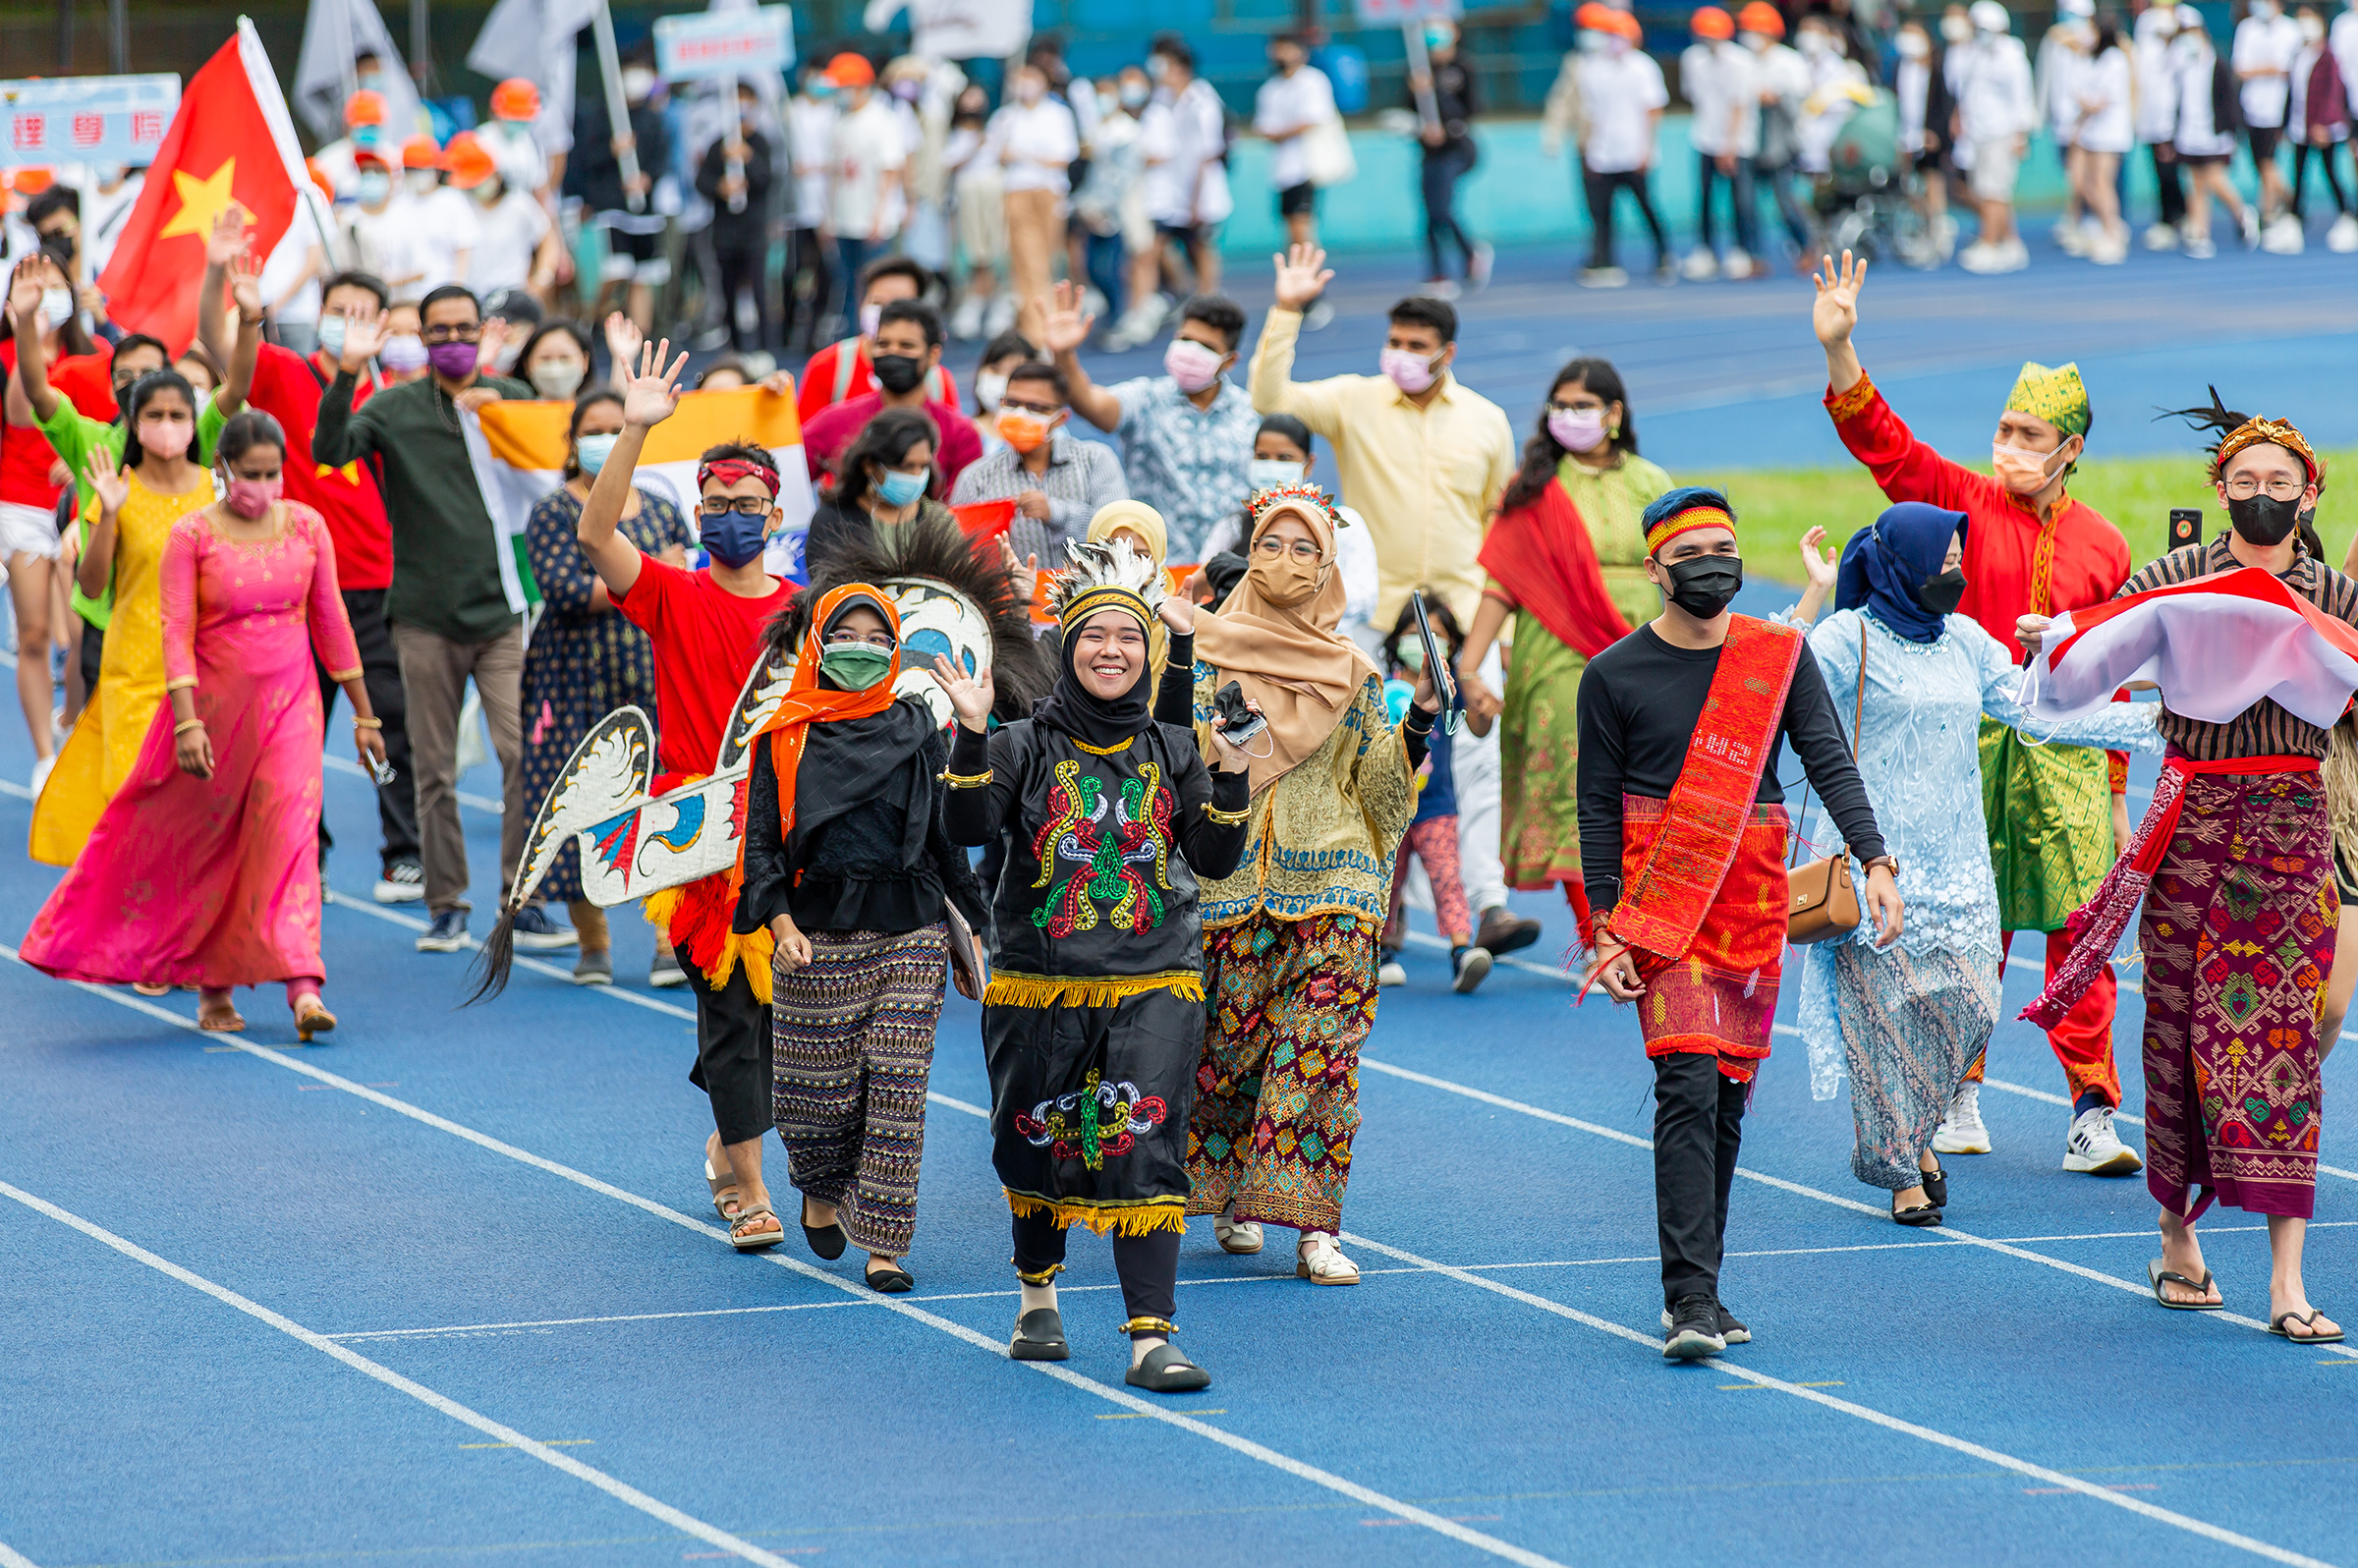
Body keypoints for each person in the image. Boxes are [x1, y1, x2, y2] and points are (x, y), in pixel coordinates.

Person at [1812, 251, 2143, 1175]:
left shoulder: (2105, 544)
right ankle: (1959, 1092)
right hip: (1965, 749)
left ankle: (2092, 1113)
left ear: (2071, 448)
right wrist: (1842, 351)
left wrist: (2117, 793)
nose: (2011, 445)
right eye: (2004, 426)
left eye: (2031, 433)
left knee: (2082, 931)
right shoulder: (1960, 502)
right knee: (1970, 931)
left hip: (2067, 760)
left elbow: (2111, 680)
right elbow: (1887, 446)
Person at [2021, 411, 2345, 1344]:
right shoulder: (2170, 579)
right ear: (2220, 489)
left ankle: (2288, 1281)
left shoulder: (2337, 594)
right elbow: (2097, 657)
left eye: (2281, 482)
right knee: (2176, 1030)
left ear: (2309, 493)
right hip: (2192, 827)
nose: (2264, 496)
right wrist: (2062, 636)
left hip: (2290, 834)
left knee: (2283, 1042)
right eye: (2245, 479)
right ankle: (2176, 1242)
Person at [1577, 487, 1901, 1358]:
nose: (1713, 565)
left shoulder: (1776, 659)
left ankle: (1706, 1289)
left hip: (1750, 889)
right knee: (1684, 1080)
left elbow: (1828, 760)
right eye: (1692, 555)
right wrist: (1604, 925)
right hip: (1664, 898)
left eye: (1724, 548)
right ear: (1655, 570)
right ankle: (1686, 1300)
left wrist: (1874, 860)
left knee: (1725, 1098)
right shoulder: (1611, 675)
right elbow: (1597, 809)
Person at [1780, 507, 2161, 1225]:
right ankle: (1902, 1172)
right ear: (1900, 563)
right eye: (1943, 560)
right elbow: (1775, 678)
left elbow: (2037, 710)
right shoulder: (1846, 636)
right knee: (1882, 1028)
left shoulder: (1963, 639)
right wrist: (1816, 591)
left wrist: (2150, 723)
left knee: (1971, 1009)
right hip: (1873, 861)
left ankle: (1916, 1131)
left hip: (1958, 864)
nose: (1955, 573)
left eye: (1960, 558)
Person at [936, 532, 1251, 1388]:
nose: (1110, 652)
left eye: (1128, 638)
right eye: (1093, 636)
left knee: (1146, 1137)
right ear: (1066, 646)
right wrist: (969, 736)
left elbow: (1214, 859)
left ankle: (1153, 1336)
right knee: (1032, 1142)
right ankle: (1038, 1296)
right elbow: (965, 830)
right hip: (1040, 986)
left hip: (1158, 977)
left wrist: (1230, 781)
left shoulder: (1174, 746)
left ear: (1148, 653)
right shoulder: (1016, 746)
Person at [21, 409, 385, 1036]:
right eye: (251, 474)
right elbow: (176, 632)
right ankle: (214, 989)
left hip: (293, 708)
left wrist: (363, 713)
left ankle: (303, 984)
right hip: (214, 713)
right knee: (218, 846)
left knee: (289, 836)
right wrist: (186, 723)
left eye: (274, 475)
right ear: (224, 470)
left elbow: (331, 620)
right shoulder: (193, 536)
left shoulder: (307, 525)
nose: (264, 488)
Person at [1167, 484, 1435, 1286]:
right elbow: (1173, 758)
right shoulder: (1201, 649)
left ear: (1328, 565)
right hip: (1227, 885)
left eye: (1305, 549)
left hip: (1335, 889)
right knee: (1224, 1056)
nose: (1286, 561)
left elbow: (1380, 791)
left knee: (1318, 1057)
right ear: (1251, 553)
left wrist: (1418, 719)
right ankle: (1234, 1199)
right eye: (1272, 545)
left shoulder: (1351, 671)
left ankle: (1315, 1230)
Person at [568, 342, 798, 1249]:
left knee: (787, 1022)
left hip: (793, 837)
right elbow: (595, 537)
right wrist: (633, 429)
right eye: (716, 505)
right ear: (696, 511)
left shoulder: (813, 609)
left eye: (747, 505)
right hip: (697, 840)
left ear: (776, 512)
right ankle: (747, 1186)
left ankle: (724, 1143)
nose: (731, 517)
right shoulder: (669, 594)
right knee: (731, 1014)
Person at [731, 580, 982, 1291]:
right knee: (819, 1100)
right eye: (848, 636)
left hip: (912, 927)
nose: (864, 650)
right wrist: (779, 924)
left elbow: (945, 843)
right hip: (813, 934)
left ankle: (884, 1242)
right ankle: (818, 1186)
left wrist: (976, 937)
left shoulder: (917, 728)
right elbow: (759, 848)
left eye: (880, 639)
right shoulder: (785, 733)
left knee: (899, 1082)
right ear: (817, 642)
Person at [311, 285, 566, 954]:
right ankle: (446, 904)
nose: (452, 339)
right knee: (433, 769)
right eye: (438, 330)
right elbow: (330, 449)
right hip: (423, 617)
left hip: (505, 611)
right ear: (420, 340)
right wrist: (345, 373)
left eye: (463, 327)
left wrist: (509, 414)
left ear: (484, 332)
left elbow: (574, 452)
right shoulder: (392, 408)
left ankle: (525, 899)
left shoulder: (512, 400)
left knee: (524, 759)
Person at [196, 220, 421, 907]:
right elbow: (217, 341)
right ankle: (305, 853)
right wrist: (224, 284)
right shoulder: (287, 372)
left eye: (361, 313)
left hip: (376, 585)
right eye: (337, 310)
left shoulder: (400, 395)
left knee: (389, 719)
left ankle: (404, 854)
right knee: (295, 730)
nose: (346, 323)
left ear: (383, 324)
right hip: (294, 584)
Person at [1458, 357, 1672, 930]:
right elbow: (1501, 584)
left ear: (1614, 413)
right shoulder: (1536, 489)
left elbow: (1687, 559)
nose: (1570, 417)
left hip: (1642, 647)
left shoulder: (1652, 482)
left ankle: (1632, 925)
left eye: (1582, 406)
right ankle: (1597, 932)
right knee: (1578, 789)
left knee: (1641, 786)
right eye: (1561, 406)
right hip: (1555, 653)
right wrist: (1469, 664)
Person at [1249, 245, 1517, 646]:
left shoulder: (1488, 420)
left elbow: (1495, 520)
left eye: (1416, 346)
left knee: (1471, 711)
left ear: (1448, 354)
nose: (1400, 354)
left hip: (1463, 612)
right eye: (1395, 342)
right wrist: (1287, 310)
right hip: (1373, 614)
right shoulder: (1352, 401)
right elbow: (1270, 400)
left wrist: (1503, 626)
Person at [520, 390, 696, 986]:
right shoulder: (550, 512)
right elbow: (565, 591)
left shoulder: (663, 507)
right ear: (571, 441)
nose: (602, 438)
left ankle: (669, 941)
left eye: (612, 427)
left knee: (664, 802)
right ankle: (592, 943)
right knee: (580, 800)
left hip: (651, 673)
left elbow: (686, 579)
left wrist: (647, 571)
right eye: (591, 429)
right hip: (572, 679)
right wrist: (649, 569)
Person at [24, 365, 218, 868]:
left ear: (195, 424)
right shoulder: (118, 490)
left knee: (195, 815)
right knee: (130, 806)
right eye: (154, 415)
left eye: (178, 415)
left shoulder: (214, 493)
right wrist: (108, 512)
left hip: (202, 678)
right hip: (132, 673)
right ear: (133, 425)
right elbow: (91, 585)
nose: (167, 425)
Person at [1046, 283, 1256, 564]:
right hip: (1158, 571)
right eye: (1185, 339)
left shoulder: (1251, 413)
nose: (1191, 352)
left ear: (1229, 361)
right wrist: (1064, 356)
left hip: (1229, 570)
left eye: (1206, 347)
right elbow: (1092, 405)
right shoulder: (1146, 399)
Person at [1376, 592, 1496, 991]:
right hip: (1393, 807)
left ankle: (1462, 951)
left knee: (1447, 877)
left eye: (1436, 634)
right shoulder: (1384, 687)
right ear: (1396, 640)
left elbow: (1478, 727)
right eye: (1413, 633)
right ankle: (1380, 950)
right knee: (1388, 880)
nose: (1424, 642)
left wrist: (1484, 711)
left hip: (1436, 805)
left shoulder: (1449, 688)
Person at [947, 360, 1127, 566]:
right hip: (1011, 597)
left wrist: (1056, 512)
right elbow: (959, 553)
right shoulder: (976, 478)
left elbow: (1117, 537)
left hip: (1087, 597)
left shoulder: (1095, 461)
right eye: (1012, 404)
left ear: (1061, 418)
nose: (1020, 414)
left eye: (1035, 407)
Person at [800, 300, 981, 491]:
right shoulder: (835, 421)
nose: (893, 353)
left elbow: (965, 512)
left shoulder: (960, 434)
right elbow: (784, 478)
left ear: (933, 355)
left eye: (906, 346)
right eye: (883, 344)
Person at [1574, 7, 1673, 289]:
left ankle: (1663, 255)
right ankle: (1606, 261)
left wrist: (1647, 149)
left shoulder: (1643, 67)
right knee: (1602, 213)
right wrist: (1590, 150)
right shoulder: (1592, 69)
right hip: (1604, 153)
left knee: (1646, 207)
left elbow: (1653, 110)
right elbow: (1591, 113)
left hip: (1635, 152)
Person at [796, 256, 960, 421]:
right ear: (862, 303)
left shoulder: (938, 383)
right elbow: (805, 441)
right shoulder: (827, 368)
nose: (886, 314)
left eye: (898, 304)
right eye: (877, 302)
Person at [577, 53, 671, 337]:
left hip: (643, 208)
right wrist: (611, 150)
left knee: (642, 274)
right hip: (611, 206)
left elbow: (661, 159)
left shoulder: (653, 119)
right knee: (618, 269)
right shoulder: (602, 115)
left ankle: (640, 334)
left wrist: (647, 179)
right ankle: (592, 315)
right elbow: (585, 160)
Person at [804, 407, 959, 577]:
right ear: (869, 465)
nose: (916, 475)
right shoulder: (833, 522)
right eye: (905, 467)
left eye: (923, 466)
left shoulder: (938, 521)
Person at [1138, 34, 1232, 311]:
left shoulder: (1203, 101)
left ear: (1180, 68)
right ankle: (1183, 292)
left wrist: (1196, 200)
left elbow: (1207, 155)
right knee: (1161, 245)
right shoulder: (1162, 98)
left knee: (1201, 247)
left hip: (1199, 192)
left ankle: (1208, 300)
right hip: (1172, 193)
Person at [1255, 31, 1342, 328]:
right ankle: (1301, 289)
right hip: (1283, 171)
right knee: (1291, 232)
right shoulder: (1271, 89)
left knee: (1301, 229)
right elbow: (1263, 127)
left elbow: (1314, 118)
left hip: (1306, 166)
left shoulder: (1313, 81)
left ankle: (1314, 295)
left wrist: (1281, 131)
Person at [989, 64, 1080, 347]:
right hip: (1017, 191)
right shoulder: (1006, 117)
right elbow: (997, 153)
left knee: (1047, 261)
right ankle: (1036, 330)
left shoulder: (1058, 114)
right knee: (1027, 262)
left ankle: (1046, 321)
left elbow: (1063, 156)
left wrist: (1024, 155)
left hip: (1049, 192)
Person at [822, 53, 906, 338]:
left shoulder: (882, 120)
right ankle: (853, 342)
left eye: (843, 88)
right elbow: (835, 173)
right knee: (847, 286)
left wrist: (879, 216)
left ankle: (879, 340)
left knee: (876, 288)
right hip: (845, 219)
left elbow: (891, 170)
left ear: (860, 86)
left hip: (872, 222)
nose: (840, 95)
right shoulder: (840, 121)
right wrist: (830, 217)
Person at [1953, 0, 2036, 274]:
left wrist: (2020, 135)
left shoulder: (2011, 55)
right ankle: (2010, 242)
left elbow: (2022, 96)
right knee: (1989, 190)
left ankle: (1989, 242)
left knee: (1993, 191)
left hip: (2001, 132)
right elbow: (1968, 91)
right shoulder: (1976, 53)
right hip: (1980, 132)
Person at [1409, 19, 1489, 298]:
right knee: (1430, 214)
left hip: (1457, 151)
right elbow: (1412, 112)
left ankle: (1470, 252)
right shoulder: (1419, 68)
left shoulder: (1464, 67)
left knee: (1441, 209)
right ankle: (1437, 272)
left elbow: (1470, 110)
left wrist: (1437, 93)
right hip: (1429, 153)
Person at [696, 84, 778, 357]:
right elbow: (702, 181)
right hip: (725, 231)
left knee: (759, 290)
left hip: (754, 230)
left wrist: (749, 159)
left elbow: (767, 180)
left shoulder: (760, 143)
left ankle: (765, 348)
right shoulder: (719, 145)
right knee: (727, 290)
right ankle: (735, 347)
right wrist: (720, 186)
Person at [1682, 6, 1762, 281]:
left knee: (1741, 200)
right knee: (1704, 198)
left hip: (1738, 143)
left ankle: (1742, 250)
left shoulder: (1741, 61)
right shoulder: (1692, 59)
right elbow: (1695, 96)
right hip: (1705, 138)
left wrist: (1729, 146)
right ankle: (1705, 250)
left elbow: (1739, 104)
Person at [2173, 6, 2254, 259]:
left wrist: (2231, 133)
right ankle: (2200, 234)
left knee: (2214, 181)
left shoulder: (2217, 63)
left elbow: (2228, 101)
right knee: (2195, 184)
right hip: (2188, 135)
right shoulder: (2183, 64)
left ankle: (2242, 213)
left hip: (2214, 135)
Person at [450, 135, 560, 303]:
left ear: (496, 176)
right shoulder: (460, 204)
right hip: (472, 296)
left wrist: (542, 280)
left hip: (512, 294)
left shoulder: (520, 204)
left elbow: (548, 241)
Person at [783, 66, 841, 356]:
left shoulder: (836, 113)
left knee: (824, 273)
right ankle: (788, 326)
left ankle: (816, 331)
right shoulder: (790, 111)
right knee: (792, 270)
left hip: (827, 208)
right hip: (796, 210)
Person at [2237, 0, 2303, 251]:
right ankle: (2290, 202)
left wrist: (2262, 69)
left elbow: (2288, 69)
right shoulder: (2248, 28)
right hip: (2252, 107)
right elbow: (2241, 68)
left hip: (2279, 107)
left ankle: (2268, 215)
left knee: (2267, 162)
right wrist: (2270, 68)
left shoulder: (2290, 30)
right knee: (2262, 164)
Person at [944, 84, 1009, 341]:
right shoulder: (954, 135)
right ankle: (975, 301)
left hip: (992, 193)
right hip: (968, 196)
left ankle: (997, 302)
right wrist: (973, 148)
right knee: (975, 251)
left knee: (996, 249)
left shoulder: (995, 129)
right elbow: (950, 162)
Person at [2287, 6, 2355, 244]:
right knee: (2298, 174)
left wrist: (2322, 123)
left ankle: (2348, 215)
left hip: (2322, 127)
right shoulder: (2298, 54)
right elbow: (2294, 93)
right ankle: (2294, 219)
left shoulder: (2328, 56)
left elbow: (2331, 93)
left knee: (2330, 174)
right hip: (2299, 127)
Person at [2071, 16, 2135, 262]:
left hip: (2109, 134)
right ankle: (2107, 225)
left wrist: (2083, 103)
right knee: (2085, 184)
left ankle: (2113, 233)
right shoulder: (2092, 60)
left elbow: (2099, 101)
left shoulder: (2115, 60)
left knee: (2101, 183)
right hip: (2092, 133)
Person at [2136, 5, 2191, 250]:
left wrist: (2175, 126)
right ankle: (2172, 217)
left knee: (2170, 173)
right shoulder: (2147, 52)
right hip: (2151, 123)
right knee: (2160, 173)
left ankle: (2176, 216)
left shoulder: (2180, 54)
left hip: (2172, 125)